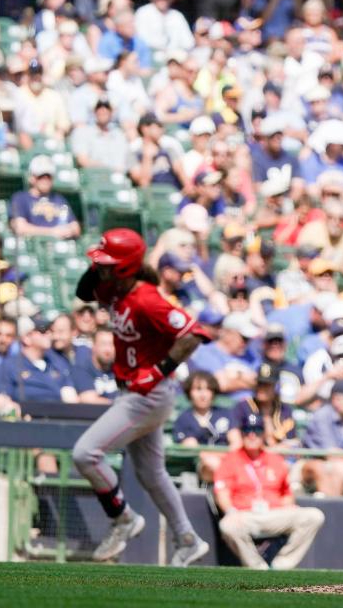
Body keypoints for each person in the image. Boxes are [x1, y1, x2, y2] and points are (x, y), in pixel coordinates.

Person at [71, 229, 212, 565]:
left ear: (122, 269)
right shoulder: (114, 288)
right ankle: (187, 539)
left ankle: (123, 518)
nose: (100, 269)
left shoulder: (147, 298)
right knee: (151, 474)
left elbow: (194, 334)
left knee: (85, 453)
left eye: (106, 264)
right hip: (133, 390)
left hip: (147, 393)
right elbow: (83, 290)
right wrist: (102, 266)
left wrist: (161, 369)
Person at [214, 414, 325, 570]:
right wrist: (231, 511)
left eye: (257, 430)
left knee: (314, 516)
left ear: (263, 434)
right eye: (247, 430)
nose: (252, 435)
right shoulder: (230, 460)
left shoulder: (275, 459)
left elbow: (286, 493)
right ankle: (257, 567)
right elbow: (222, 493)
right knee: (228, 525)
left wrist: (288, 507)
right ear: (241, 433)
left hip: (274, 513)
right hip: (246, 515)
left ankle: (282, 565)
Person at [172, 371, 232, 482]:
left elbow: (236, 441)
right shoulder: (184, 419)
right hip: (202, 465)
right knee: (211, 464)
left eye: (208, 389)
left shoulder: (225, 414)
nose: (203, 395)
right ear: (189, 392)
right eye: (198, 389)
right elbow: (192, 447)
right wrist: (215, 458)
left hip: (230, 460)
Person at [9, 155, 81, 239]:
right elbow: (20, 227)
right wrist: (52, 232)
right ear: (31, 178)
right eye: (41, 176)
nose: (45, 180)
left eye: (48, 177)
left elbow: (76, 228)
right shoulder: (20, 198)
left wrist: (67, 231)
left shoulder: (59, 199)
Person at [70, 326, 119, 404]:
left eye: (112, 344)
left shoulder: (119, 369)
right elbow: (88, 399)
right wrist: (120, 405)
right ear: (93, 346)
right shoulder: (82, 368)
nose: (108, 349)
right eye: (103, 344)